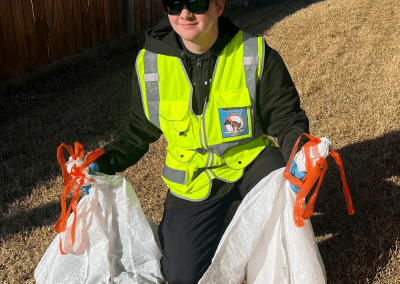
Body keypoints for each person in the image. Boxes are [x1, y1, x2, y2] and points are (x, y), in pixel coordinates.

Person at [85, 0, 310, 282]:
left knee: (285, 219)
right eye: (174, 4)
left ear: (218, 6)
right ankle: (225, 223)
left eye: (197, 3)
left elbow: (286, 118)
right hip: (192, 178)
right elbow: (138, 130)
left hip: (251, 163)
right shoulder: (149, 63)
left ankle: (247, 227)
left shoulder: (254, 52)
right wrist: (102, 163)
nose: (184, 13)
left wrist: (300, 155)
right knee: (181, 276)